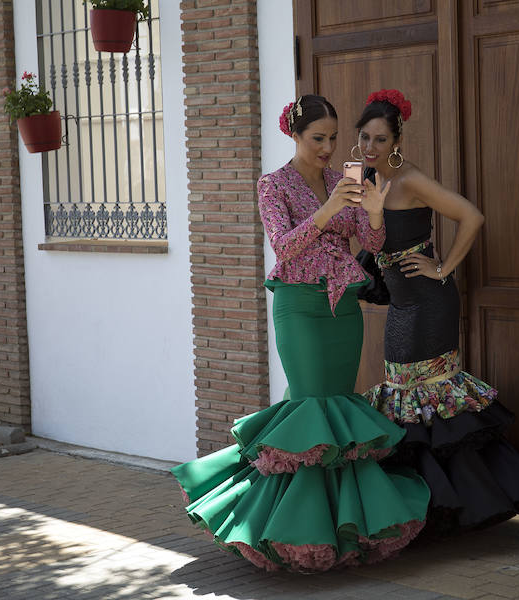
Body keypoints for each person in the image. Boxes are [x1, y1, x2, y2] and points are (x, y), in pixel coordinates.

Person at [171, 95, 430, 572]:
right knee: (309, 410)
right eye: (319, 138)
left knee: (338, 422)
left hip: (344, 309)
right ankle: (288, 531)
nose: (329, 147)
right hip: (300, 306)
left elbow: (369, 245)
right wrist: (330, 208)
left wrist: (374, 213)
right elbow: (284, 247)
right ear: (295, 134)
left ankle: (339, 532)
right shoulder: (273, 185)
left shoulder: (345, 178)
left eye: (333, 137)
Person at [358, 89, 519, 534]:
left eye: (380, 139)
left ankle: (455, 510)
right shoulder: (366, 181)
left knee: (428, 400)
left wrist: (442, 267)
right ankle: (423, 509)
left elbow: (472, 216)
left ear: (397, 141)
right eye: (364, 137)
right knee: (402, 398)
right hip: (401, 305)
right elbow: (369, 241)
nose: (370, 147)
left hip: (429, 305)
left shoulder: (411, 180)